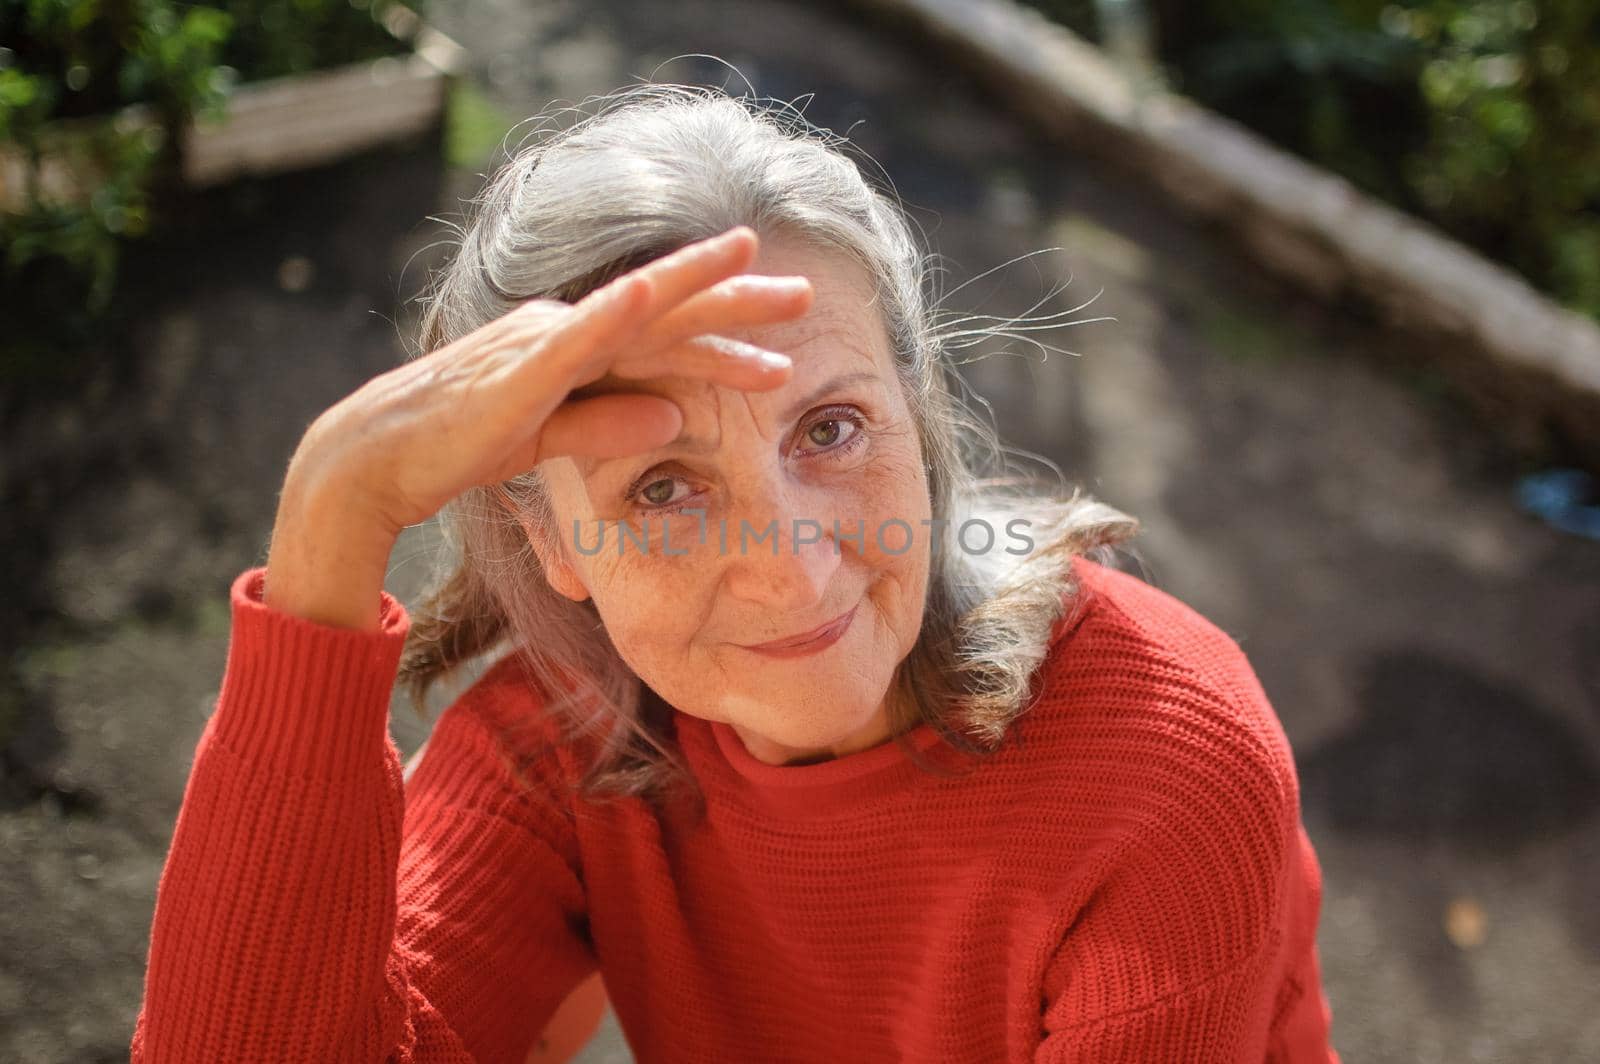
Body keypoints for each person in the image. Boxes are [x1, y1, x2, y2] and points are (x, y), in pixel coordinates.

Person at [130, 83, 1340, 1063]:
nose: (791, 559)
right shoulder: (564, 740)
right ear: (552, 542)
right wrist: (334, 519)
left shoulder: (1163, 762)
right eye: (661, 485)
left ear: (918, 417)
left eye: (830, 427)